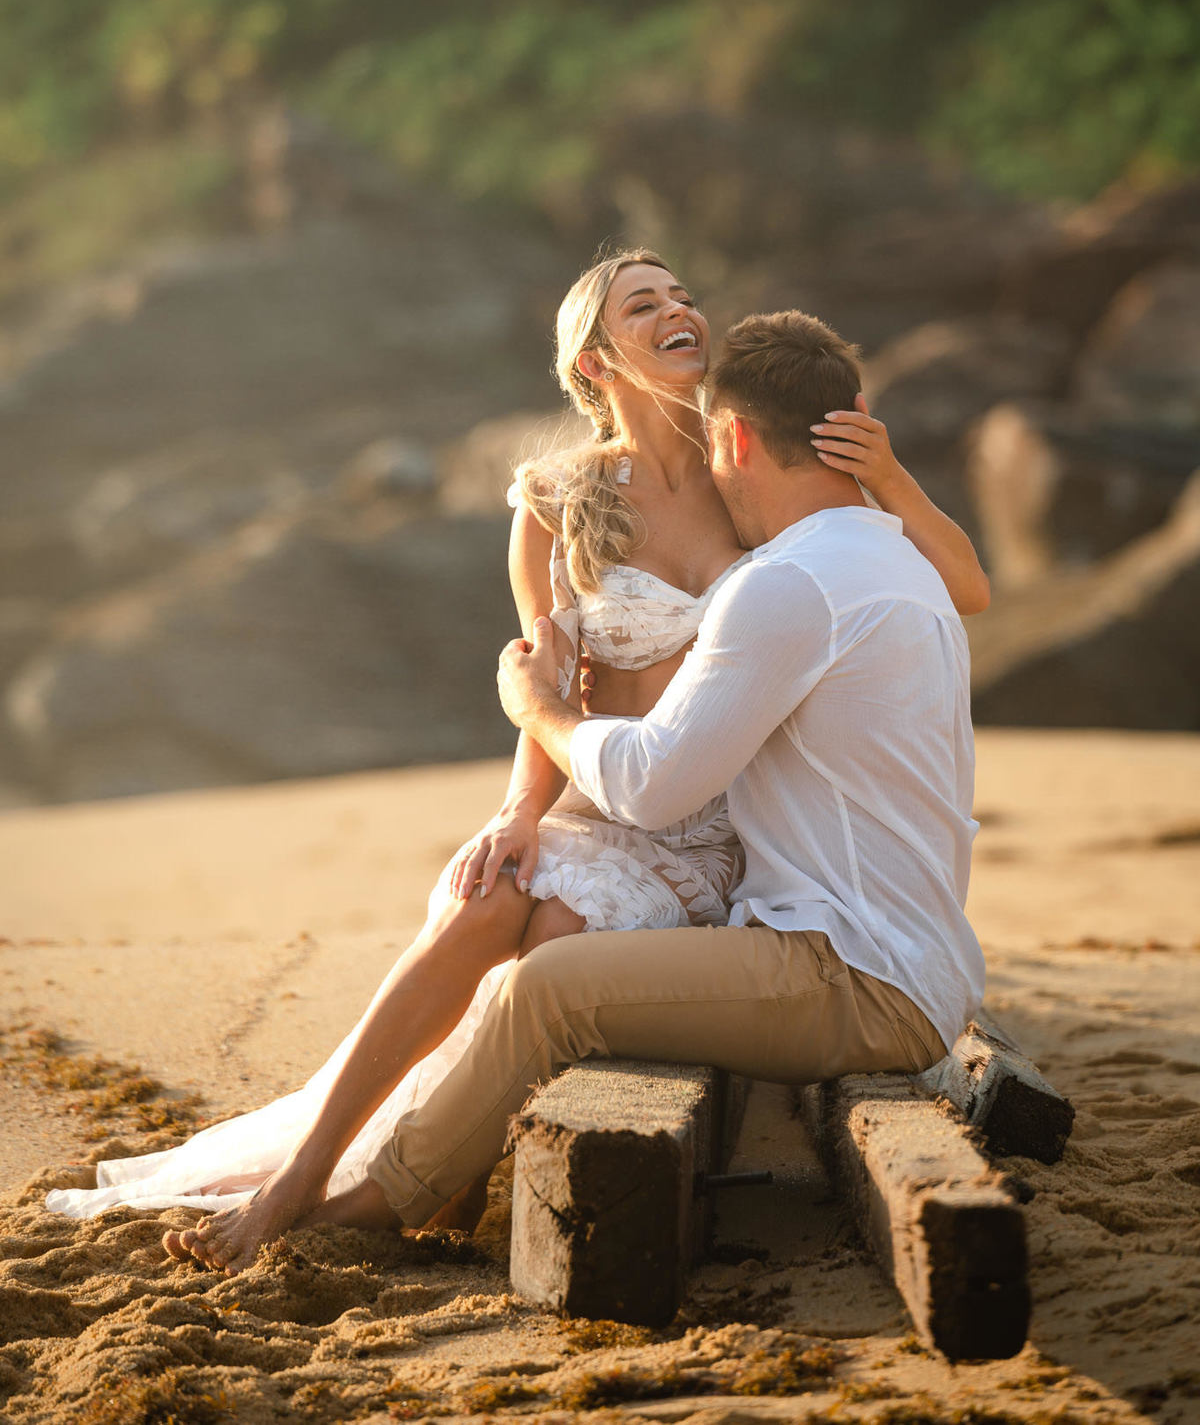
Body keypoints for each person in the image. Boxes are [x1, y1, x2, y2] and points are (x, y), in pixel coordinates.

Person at [45, 261, 987, 1274]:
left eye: (680, 296)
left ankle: (414, 1188)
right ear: (593, 359)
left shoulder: (753, 498)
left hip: (711, 827)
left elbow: (945, 583)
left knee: (553, 946)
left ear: (740, 435)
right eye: (644, 304)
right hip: (606, 788)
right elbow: (546, 676)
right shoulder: (566, 500)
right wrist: (517, 812)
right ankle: (314, 1172)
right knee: (488, 904)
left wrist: (886, 476)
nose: (677, 311)